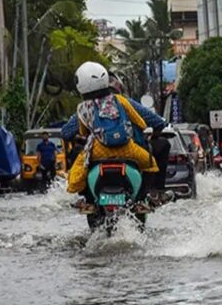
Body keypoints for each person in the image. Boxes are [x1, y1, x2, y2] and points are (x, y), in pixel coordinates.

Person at [66, 61, 159, 212]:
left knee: (78, 172)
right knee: (151, 164)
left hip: (97, 152)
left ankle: (88, 201)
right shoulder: (120, 100)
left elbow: (83, 132)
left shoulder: (83, 108)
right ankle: (142, 201)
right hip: (127, 149)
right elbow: (140, 122)